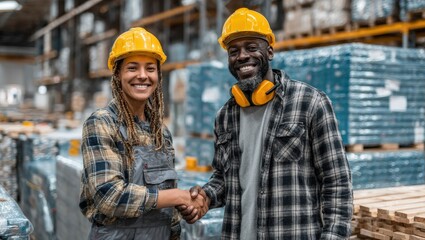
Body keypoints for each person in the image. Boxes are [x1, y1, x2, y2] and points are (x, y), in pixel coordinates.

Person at [178, 8, 353, 239]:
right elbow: (223, 177)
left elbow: (337, 181)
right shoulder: (225, 116)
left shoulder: (310, 103)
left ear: (269, 51)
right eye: (234, 51)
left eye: (251, 47)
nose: (242, 56)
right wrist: (206, 197)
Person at [79, 27, 207, 240]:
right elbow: (109, 196)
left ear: (158, 75)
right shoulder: (102, 123)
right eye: (132, 68)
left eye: (150, 68)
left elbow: (166, 200)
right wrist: (176, 196)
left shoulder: (161, 133)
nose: (142, 76)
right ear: (118, 74)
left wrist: (184, 207)